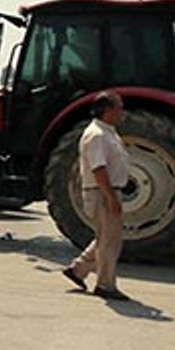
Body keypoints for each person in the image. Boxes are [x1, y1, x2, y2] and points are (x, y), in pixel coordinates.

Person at [61, 92, 131, 301]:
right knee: (109, 242)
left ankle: (78, 269)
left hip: (109, 190)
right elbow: (98, 168)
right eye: (119, 107)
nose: (122, 111)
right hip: (101, 192)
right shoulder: (97, 135)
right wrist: (110, 196)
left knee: (108, 237)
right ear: (108, 110)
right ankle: (105, 284)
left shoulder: (108, 132)